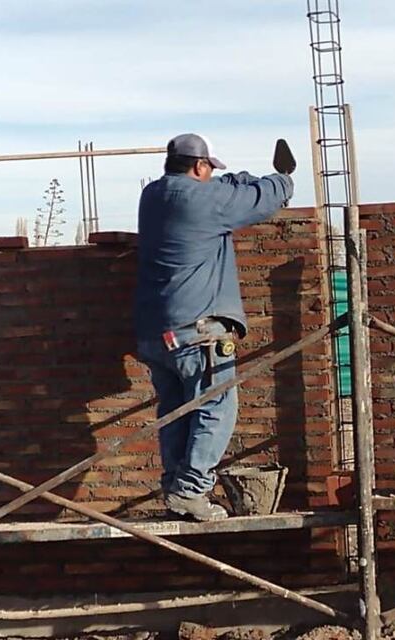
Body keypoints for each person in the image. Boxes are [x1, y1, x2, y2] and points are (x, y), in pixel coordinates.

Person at [134, 133, 294, 521]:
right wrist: (284, 177)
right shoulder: (206, 201)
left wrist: (235, 177)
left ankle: (176, 488)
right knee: (217, 407)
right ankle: (191, 490)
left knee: (176, 411)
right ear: (200, 166)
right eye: (209, 170)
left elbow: (223, 188)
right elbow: (263, 199)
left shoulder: (153, 196)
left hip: (157, 333)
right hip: (198, 331)